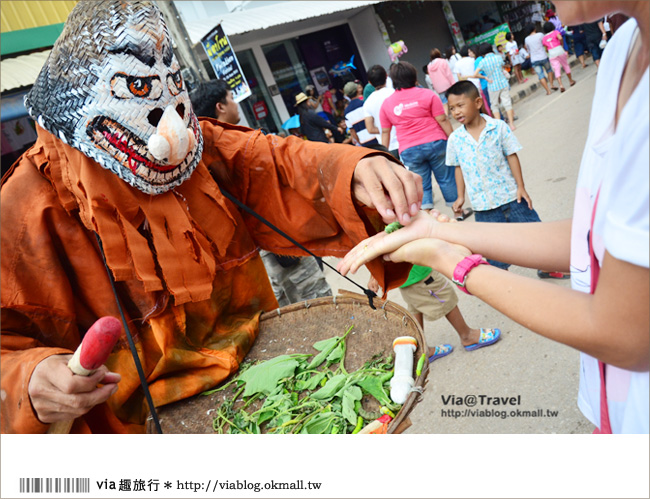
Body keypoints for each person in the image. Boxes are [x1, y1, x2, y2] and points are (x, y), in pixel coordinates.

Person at [0, 0, 423, 434]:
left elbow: (278, 163)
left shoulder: (196, 150)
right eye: (139, 90)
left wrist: (353, 170)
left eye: (168, 82)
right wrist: (30, 378)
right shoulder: (22, 211)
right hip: (133, 426)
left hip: (258, 377)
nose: (169, 133)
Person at [338, 0, 649, 434]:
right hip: (617, 406)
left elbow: (626, 334)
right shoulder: (622, 51)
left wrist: (453, 258)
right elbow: (594, 238)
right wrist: (438, 229)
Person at [190, 83, 334, 311]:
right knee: (320, 307)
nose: (236, 104)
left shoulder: (202, 155)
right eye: (231, 98)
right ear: (220, 107)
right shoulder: (235, 148)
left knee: (284, 315)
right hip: (277, 245)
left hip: (258, 257)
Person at [445, 81, 563, 274]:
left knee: (535, 234)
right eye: (452, 108)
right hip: (483, 206)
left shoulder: (498, 127)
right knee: (493, 250)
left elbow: (511, 155)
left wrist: (521, 187)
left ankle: (547, 267)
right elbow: (457, 168)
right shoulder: (455, 139)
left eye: (460, 105)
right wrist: (460, 196)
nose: (456, 112)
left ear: (477, 103)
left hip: (510, 196)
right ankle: (502, 280)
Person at [380, 62, 472, 221]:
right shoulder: (427, 94)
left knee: (419, 184)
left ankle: (429, 218)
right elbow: (442, 119)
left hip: (409, 149)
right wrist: (453, 139)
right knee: (447, 178)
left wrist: (382, 155)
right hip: (436, 143)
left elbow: (386, 132)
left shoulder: (387, 104)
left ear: (393, 81)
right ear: (414, 77)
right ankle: (458, 212)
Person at [368, 263, 501, 361]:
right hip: (416, 272)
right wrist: (375, 273)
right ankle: (467, 336)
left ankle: (421, 350)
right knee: (445, 296)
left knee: (415, 308)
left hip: (405, 275)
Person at [473, 44, 517, 130]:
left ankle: (499, 127)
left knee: (494, 106)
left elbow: (475, 74)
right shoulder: (498, 58)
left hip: (492, 86)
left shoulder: (483, 62)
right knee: (507, 103)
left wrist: (485, 77)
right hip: (503, 83)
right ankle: (512, 125)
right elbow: (502, 67)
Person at [363, 64, 399, 158]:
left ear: (370, 82)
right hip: (405, 141)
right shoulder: (395, 93)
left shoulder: (368, 103)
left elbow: (370, 129)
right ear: (386, 76)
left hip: (387, 146)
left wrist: (385, 128)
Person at [343, 81, 383, 151]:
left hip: (364, 143)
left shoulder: (346, 112)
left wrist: (360, 143)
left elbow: (352, 131)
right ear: (357, 91)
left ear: (346, 95)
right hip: (376, 138)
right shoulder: (364, 104)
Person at [542, 21, 577, 92]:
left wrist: (548, 51)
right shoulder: (555, 32)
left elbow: (545, 46)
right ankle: (570, 80)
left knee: (556, 69)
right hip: (559, 49)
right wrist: (562, 45)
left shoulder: (544, 38)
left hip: (552, 53)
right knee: (565, 65)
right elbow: (560, 38)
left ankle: (561, 85)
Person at [525, 24, 558, 94]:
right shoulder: (540, 35)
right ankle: (551, 85)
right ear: (534, 28)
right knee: (549, 70)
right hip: (543, 57)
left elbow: (528, 50)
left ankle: (548, 91)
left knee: (540, 75)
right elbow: (545, 43)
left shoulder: (526, 39)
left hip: (534, 59)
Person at [427, 48, 456, 114]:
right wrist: (453, 84)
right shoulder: (442, 61)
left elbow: (431, 78)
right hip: (447, 85)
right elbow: (448, 74)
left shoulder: (429, 66)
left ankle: (446, 116)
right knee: (453, 100)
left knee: (444, 103)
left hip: (438, 88)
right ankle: (456, 113)